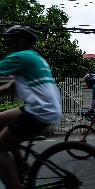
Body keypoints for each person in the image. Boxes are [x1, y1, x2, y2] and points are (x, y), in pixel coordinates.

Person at [0, 25, 62, 189]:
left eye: (10, 42)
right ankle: (21, 165)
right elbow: (9, 88)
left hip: (40, 111)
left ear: (19, 42)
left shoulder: (21, 57)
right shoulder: (35, 58)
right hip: (41, 107)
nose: (8, 46)